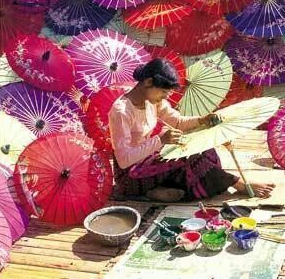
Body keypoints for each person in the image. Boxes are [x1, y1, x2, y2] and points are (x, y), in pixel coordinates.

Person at [108, 58, 275, 202]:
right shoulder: (121, 111)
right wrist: (160, 140)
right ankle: (238, 184)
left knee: (204, 148)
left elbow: (178, 121)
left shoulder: (153, 101)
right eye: (163, 92)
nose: (166, 97)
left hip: (150, 156)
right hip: (131, 174)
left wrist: (202, 121)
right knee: (190, 158)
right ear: (148, 82)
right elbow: (124, 160)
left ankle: (157, 190)